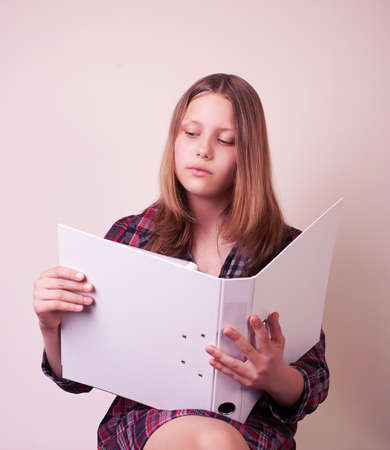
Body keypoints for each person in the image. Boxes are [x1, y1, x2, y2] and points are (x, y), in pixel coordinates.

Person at [33, 73, 329, 449]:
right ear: (174, 139)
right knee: (207, 439)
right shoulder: (131, 235)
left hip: (250, 430)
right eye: (191, 133)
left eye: (225, 140)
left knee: (218, 440)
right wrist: (50, 327)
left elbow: (313, 383)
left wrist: (274, 375)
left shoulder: (288, 249)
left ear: (249, 155)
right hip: (148, 421)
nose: (203, 150)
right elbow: (75, 378)